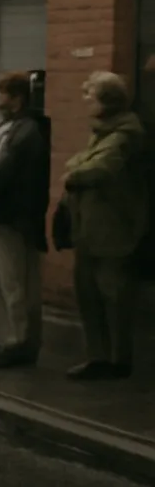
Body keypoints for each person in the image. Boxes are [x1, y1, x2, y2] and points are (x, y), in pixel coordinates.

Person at [62, 72, 148, 380]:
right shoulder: (102, 132)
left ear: (108, 102)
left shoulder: (125, 134)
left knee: (113, 296)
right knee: (88, 294)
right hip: (90, 227)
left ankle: (117, 360)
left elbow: (98, 168)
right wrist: (76, 167)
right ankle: (97, 355)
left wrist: (74, 175)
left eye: (91, 96)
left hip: (114, 230)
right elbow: (78, 161)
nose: (86, 101)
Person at [0, 71, 50, 369]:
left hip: (7, 217)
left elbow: (13, 176)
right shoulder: (5, 127)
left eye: (2, 93)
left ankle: (18, 341)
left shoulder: (27, 132)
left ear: (16, 99)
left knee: (12, 282)